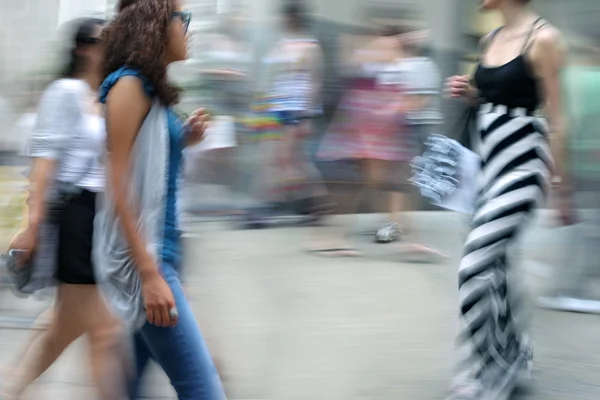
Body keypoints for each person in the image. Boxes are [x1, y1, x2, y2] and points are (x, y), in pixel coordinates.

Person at [96, 0, 225, 398]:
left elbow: (146, 160)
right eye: (182, 19)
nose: (189, 28)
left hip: (165, 250)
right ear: (155, 24)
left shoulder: (149, 89)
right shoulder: (129, 85)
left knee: (134, 381)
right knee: (203, 390)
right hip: (149, 259)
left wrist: (183, 138)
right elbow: (116, 184)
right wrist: (150, 274)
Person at [445, 0, 573, 398]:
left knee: (474, 266)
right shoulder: (490, 38)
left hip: (523, 167)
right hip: (487, 166)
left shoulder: (545, 39)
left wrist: (562, 185)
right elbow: (490, 99)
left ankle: (489, 371)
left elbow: (558, 118)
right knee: (494, 269)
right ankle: (514, 358)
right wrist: (470, 92)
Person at [1, 17, 126, 400]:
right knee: (104, 332)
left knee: (63, 327)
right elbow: (44, 161)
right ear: (82, 48)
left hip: (100, 217)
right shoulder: (64, 91)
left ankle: (10, 389)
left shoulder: (107, 98)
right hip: (75, 215)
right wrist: (32, 223)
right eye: (101, 42)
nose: (109, 49)